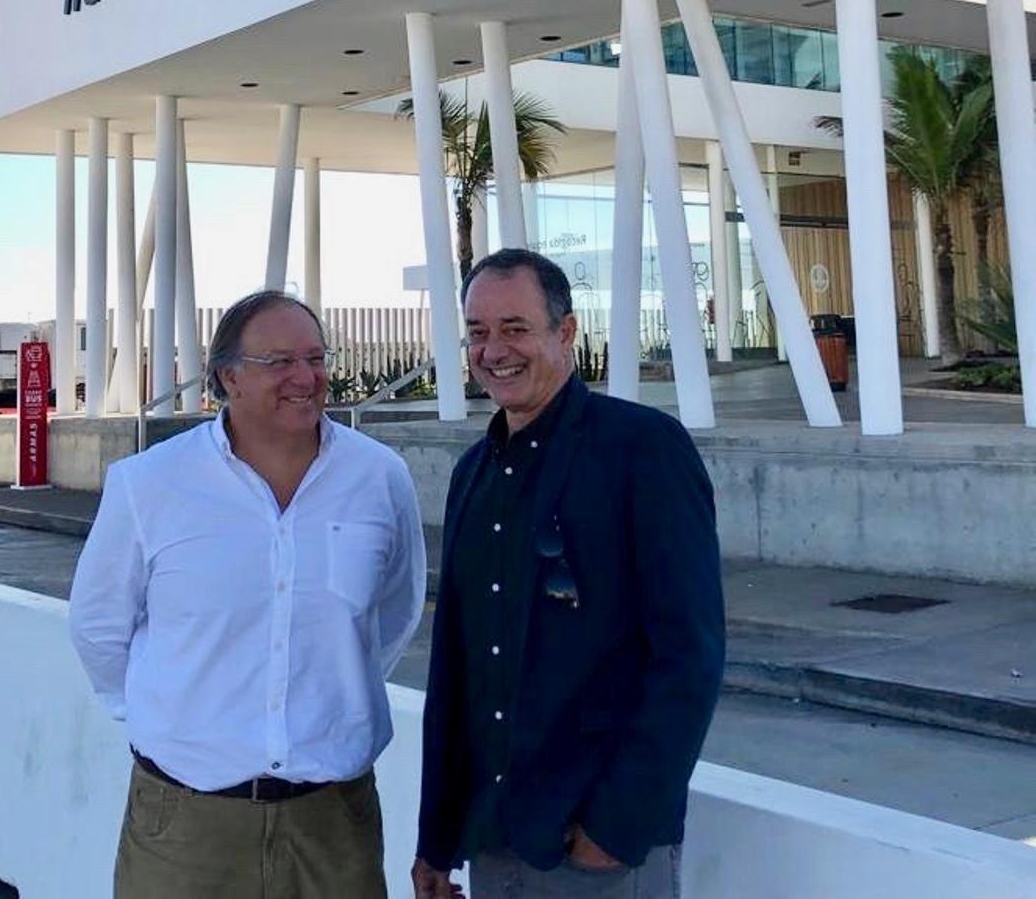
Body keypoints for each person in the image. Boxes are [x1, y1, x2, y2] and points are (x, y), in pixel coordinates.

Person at [69, 290, 426, 899]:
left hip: (333, 824)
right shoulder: (149, 484)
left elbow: (395, 611)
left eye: (316, 358)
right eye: (279, 362)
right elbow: (98, 627)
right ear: (227, 377)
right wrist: (173, 720)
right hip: (186, 825)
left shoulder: (378, 477)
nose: (305, 377)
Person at [413, 249, 724, 899]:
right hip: (492, 843)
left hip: (599, 855)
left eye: (515, 328)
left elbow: (689, 657)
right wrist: (436, 840)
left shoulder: (643, 450)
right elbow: (457, 672)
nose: (494, 349)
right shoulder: (473, 472)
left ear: (566, 332)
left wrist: (613, 832)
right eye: (477, 332)